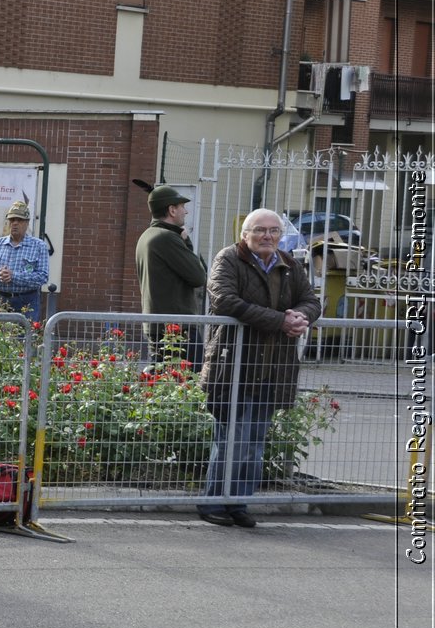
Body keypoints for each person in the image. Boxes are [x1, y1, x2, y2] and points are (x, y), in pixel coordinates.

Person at [197, 208, 319, 529]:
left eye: (274, 231)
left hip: (272, 370)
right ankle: (214, 503)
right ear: (245, 234)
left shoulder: (289, 264)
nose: (268, 236)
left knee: (254, 444)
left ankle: (238, 504)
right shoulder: (228, 259)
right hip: (232, 367)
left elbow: (311, 300)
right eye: (260, 230)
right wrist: (281, 320)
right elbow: (224, 300)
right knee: (230, 440)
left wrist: (300, 316)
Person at [134, 184, 207, 365]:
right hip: (175, 328)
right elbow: (198, 276)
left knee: (164, 383)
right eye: (183, 206)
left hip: (161, 324)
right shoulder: (166, 238)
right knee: (190, 385)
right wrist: (186, 242)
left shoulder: (148, 235)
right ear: (172, 210)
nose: (186, 212)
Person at [0, 200, 49, 318]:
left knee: (26, 335)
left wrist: (14, 276)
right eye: (12, 220)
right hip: (1, 300)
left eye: (19, 220)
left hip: (27, 302)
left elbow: (43, 277)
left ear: (27, 223)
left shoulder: (39, 246)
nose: (15, 223)